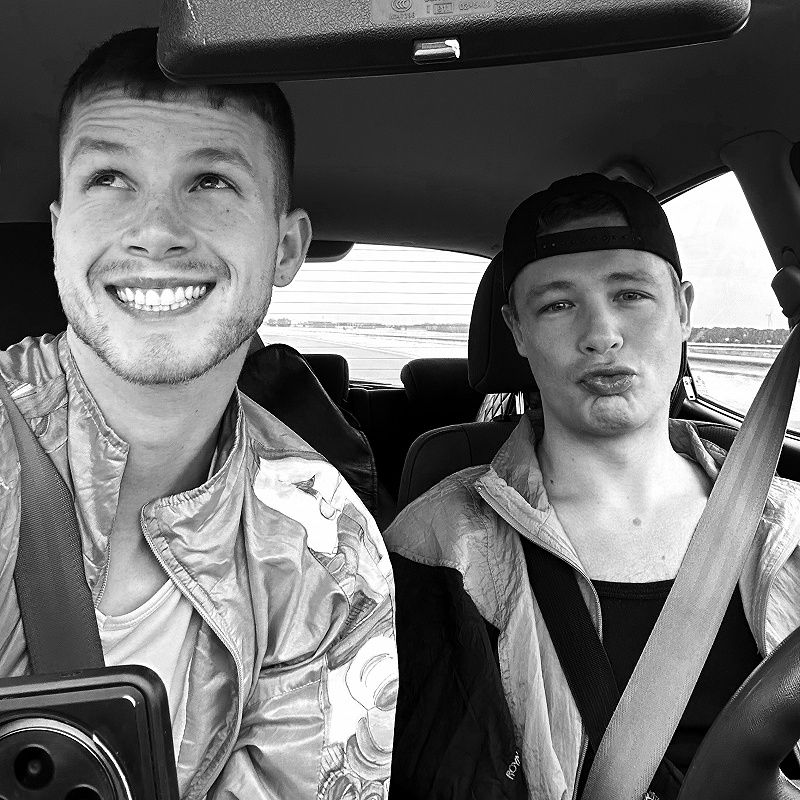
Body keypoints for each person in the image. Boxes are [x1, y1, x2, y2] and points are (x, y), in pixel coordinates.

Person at [0, 27, 397, 799]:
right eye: (110, 179)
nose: (155, 231)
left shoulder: (327, 549)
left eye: (210, 181)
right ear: (58, 235)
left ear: (285, 249)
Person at [385, 173, 800, 799]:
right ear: (517, 331)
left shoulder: (787, 528)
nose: (601, 334)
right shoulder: (439, 546)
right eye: (557, 305)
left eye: (631, 294)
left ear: (684, 311)